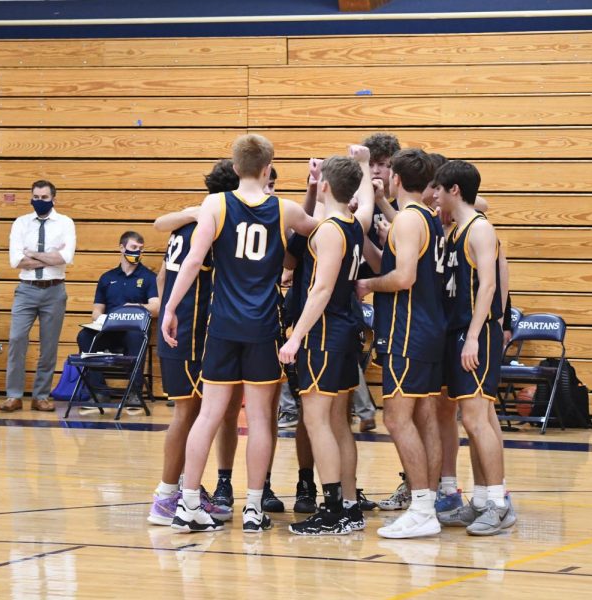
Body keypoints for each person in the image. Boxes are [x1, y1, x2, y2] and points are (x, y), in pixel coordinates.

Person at [162, 133, 317, 534]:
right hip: (263, 326)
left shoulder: (215, 203)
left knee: (209, 414)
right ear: (268, 169)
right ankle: (252, 507)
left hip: (222, 326)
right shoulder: (285, 208)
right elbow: (321, 229)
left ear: (234, 168)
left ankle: (190, 503)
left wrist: (172, 308)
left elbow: (194, 260)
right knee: (261, 418)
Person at [280, 147, 374, 535]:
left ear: (327, 186)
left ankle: (334, 509)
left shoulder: (331, 230)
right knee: (338, 424)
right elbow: (366, 199)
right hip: (344, 332)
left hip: (324, 334)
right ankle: (349, 506)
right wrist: (365, 167)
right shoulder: (353, 223)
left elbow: (320, 290)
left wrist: (294, 338)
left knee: (318, 421)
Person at [356, 148, 445, 539]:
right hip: (427, 330)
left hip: (408, 332)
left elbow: (402, 277)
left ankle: (423, 507)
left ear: (395, 179)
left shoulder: (408, 220)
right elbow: (392, 264)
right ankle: (427, 503)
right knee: (424, 418)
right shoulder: (426, 218)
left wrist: (366, 285)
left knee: (395, 418)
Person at [145, 160, 240, 527]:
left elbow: (162, 273)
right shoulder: (209, 224)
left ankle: (185, 490)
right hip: (190, 334)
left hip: (179, 331)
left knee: (196, 414)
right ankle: (167, 495)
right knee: (188, 415)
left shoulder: (187, 222)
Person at [433, 160, 517, 535]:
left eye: (439, 188)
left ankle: (498, 503)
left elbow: (488, 286)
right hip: (458, 333)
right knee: (472, 420)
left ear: (453, 190)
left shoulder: (480, 230)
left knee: (477, 419)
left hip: (476, 334)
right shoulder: (457, 230)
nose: (434, 195)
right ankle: (482, 499)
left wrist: (474, 335)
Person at [0, 180, 75, 413]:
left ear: (53, 198)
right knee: (17, 340)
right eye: (35, 197)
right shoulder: (21, 223)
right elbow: (16, 261)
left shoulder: (65, 223)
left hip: (54, 290)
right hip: (26, 289)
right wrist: (47, 255)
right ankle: (14, 396)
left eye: (43, 197)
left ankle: (40, 396)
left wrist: (32, 253)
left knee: (49, 346)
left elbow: (65, 258)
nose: (38, 201)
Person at [76, 231, 159, 401]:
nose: (137, 252)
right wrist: (100, 320)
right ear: (122, 248)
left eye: (141, 249)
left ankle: (135, 392)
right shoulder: (107, 278)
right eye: (133, 247)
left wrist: (136, 307)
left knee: (137, 337)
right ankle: (99, 391)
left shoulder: (149, 277)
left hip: (134, 329)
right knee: (84, 336)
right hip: (110, 329)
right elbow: (97, 310)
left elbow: (156, 308)